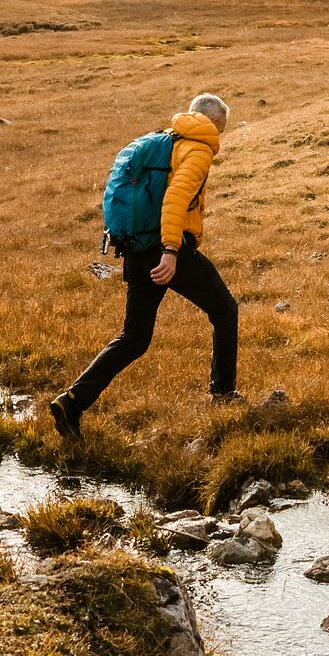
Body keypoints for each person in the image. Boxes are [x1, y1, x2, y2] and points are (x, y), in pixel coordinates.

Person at [49, 94, 238, 439]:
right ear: (212, 124)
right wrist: (171, 251)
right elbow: (176, 200)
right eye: (221, 129)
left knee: (134, 337)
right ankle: (223, 394)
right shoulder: (196, 150)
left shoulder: (166, 141)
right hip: (166, 250)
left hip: (136, 249)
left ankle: (71, 401)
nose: (220, 136)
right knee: (225, 309)